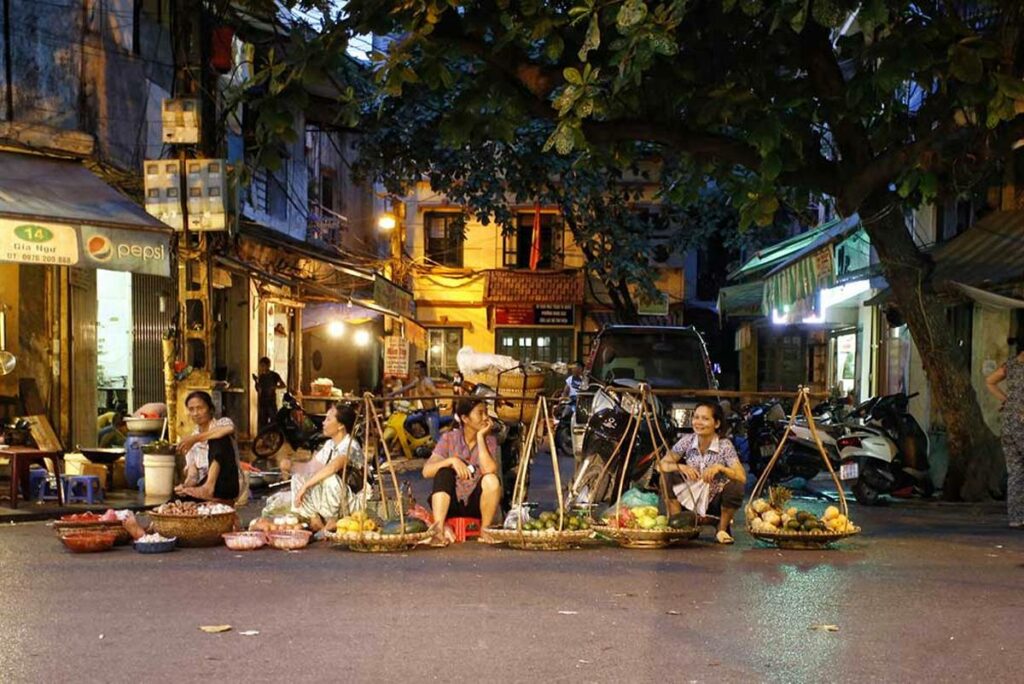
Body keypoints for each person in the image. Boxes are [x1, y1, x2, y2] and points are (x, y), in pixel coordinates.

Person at [658, 400, 746, 544]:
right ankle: (680, 525)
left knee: (736, 485)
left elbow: (741, 476)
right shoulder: (687, 441)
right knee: (667, 476)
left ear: (716, 424)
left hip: (714, 501)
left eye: (705, 419)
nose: (699, 422)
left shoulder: (725, 445)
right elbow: (661, 465)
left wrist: (721, 468)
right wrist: (681, 467)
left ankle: (721, 529)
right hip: (690, 500)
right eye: (696, 417)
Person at [422, 396, 501, 546]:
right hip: (451, 504)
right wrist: (451, 461)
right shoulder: (448, 439)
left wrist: (480, 437)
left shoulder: (489, 440)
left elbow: (489, 470)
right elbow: (426, 471)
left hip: (475, 504)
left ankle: (485, 530)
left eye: (486, 413)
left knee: (491, 480)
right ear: (465, 418)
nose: (485, 418)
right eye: (480, 413)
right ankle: (438, 531)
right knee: (443, 472)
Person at [293, 404, 363, 532]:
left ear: (341, 425)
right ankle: (314, 518)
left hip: (351, 500)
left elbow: (333, 467)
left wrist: (305, 486)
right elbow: (311, 468)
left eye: (328, 419)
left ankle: (333, 520)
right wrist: (292, 467)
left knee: (329, 478)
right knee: (298, 477)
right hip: (332, 498)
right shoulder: (329, 444)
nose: (324, 423)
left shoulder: (351, 445)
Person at [174, 391, 240, 504]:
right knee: (175, 502)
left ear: (210, 408)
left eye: (200, 408)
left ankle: (209, 486)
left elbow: (229, 429)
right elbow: (193, 475)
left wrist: (195, 439)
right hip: (203, 486)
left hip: (225, 484)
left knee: (218, 438)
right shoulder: (190, 441)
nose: (195, 413)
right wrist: (185, 487)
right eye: (191, 409)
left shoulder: (222, 423)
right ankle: (206, 489)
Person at [985, 346, 1024, 529]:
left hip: (1008, 422)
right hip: (1022, 422)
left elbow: (990, 381)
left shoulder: (1010, 365)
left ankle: (1016, 518)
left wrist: (1006, 400)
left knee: (1016, 471)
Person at [389, 360, 440, 441]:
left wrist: (434, 398)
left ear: (423, 370)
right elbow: (405, 388)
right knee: (406, 422)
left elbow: (437, 393)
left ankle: (446, 452)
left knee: (435, 436)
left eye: (417, 369)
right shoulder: (417, 382)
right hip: (424, 412)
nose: (414, 371)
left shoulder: (427, 381)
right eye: (414, 369)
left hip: (432, 413)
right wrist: (392, 394)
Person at [253, 357, 286, 428]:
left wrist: (274, 387)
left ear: (268, 365)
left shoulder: (274, 375)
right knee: (263, 422)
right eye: (261, 366)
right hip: (263, 402)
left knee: (274, 421)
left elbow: (283, 385)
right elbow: (259, 390)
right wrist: (256, 382)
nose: (262, 368)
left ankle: (273, 436)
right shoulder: (261, 377)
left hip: (271, 402)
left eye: (263, 365)